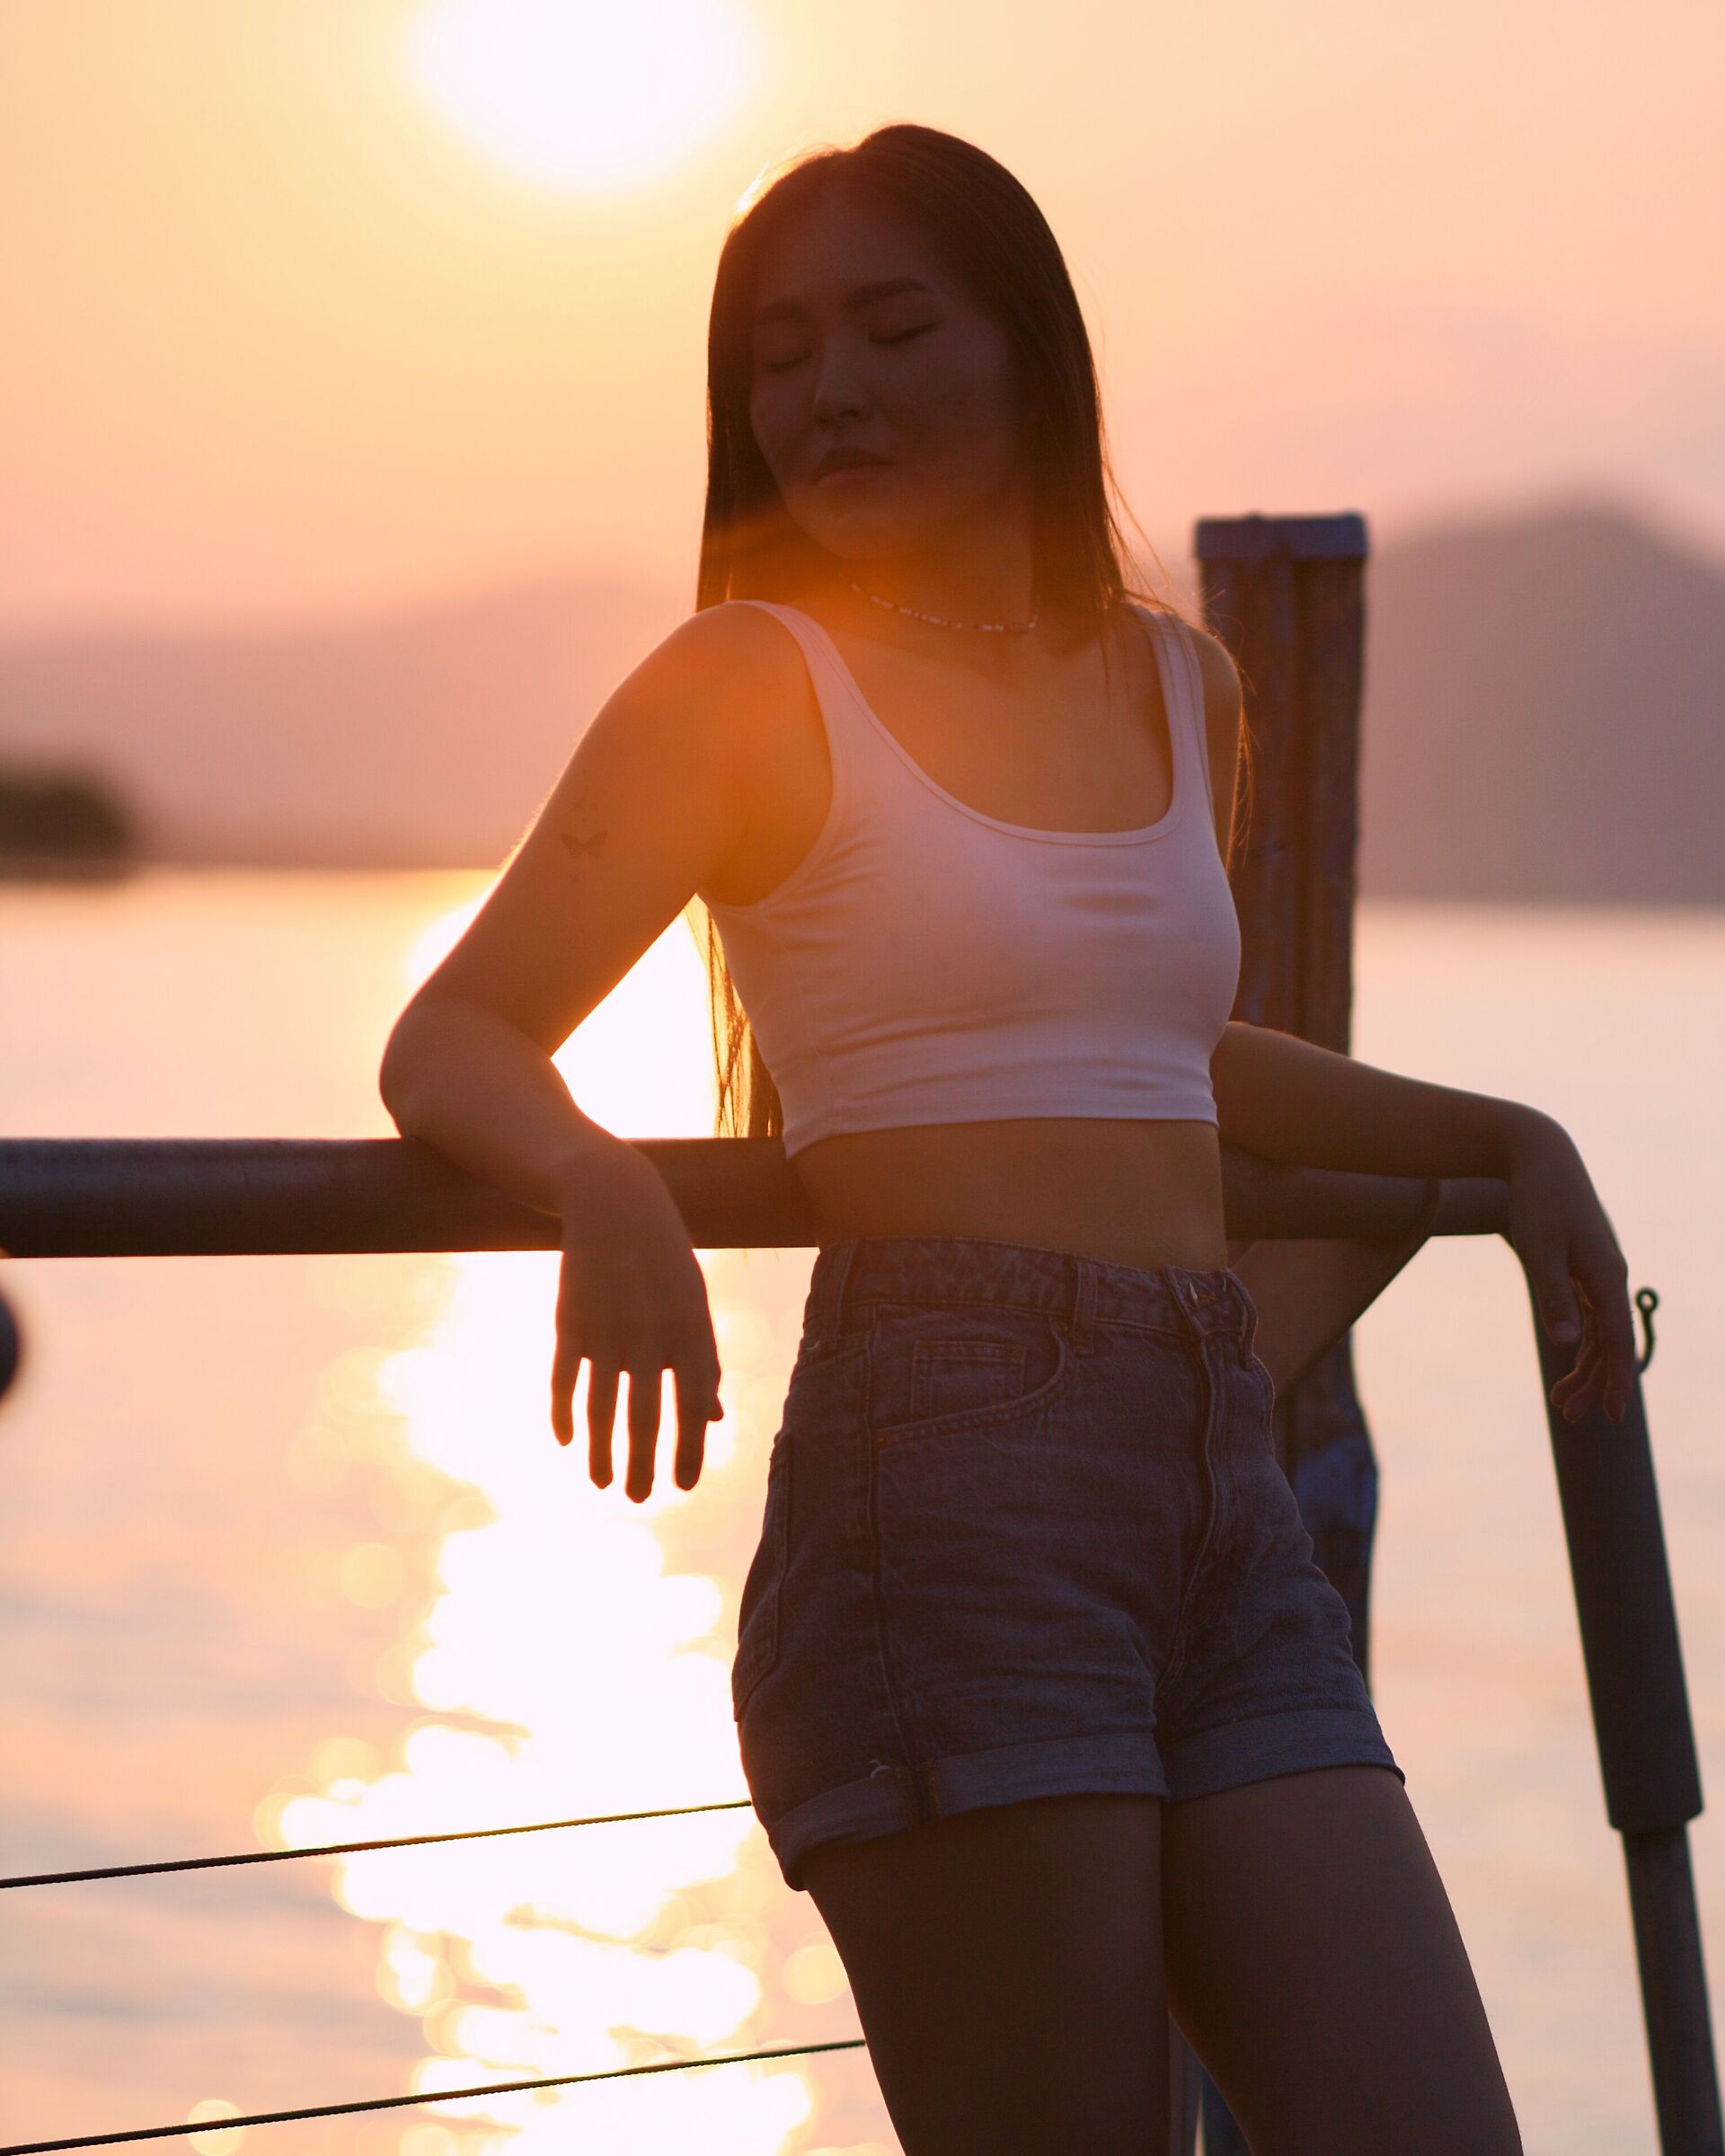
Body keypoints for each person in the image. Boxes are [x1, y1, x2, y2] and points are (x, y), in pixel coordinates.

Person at [380, 122, 1634, 2156]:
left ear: (1031, 354)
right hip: (950, 1488)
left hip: (1214, 1482)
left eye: (892, 327)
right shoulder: (745, 682)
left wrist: (1508, 1139)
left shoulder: (1176, 679)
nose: (828, 391)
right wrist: (603, 1181)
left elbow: (1158, 1052)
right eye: (782, 354)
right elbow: (456, 1034)